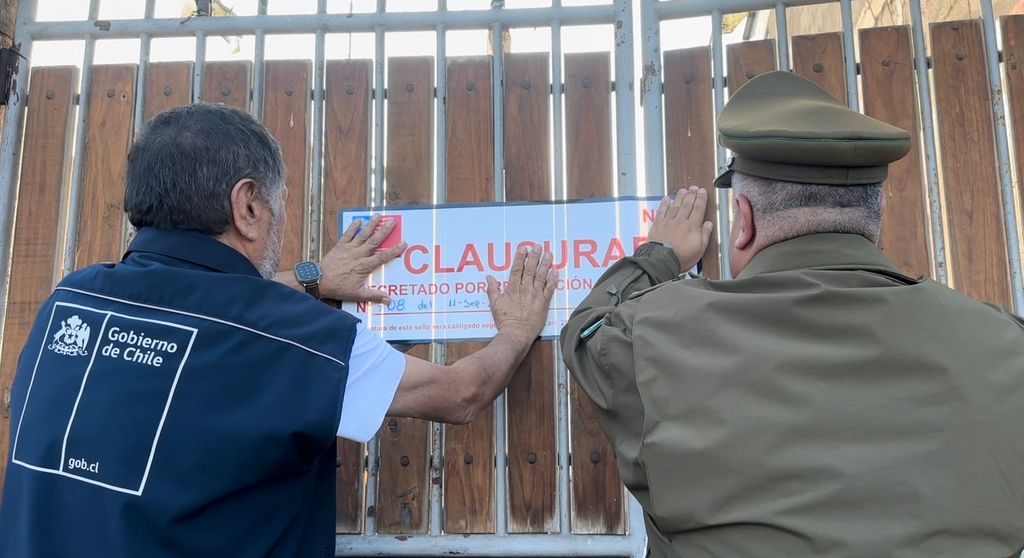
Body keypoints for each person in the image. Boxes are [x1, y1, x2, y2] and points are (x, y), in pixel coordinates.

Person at [0, 103, 556, 558]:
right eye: (276, 205)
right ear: (247, 205)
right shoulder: (301, 339)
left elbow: (198, 302)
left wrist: (312, 276)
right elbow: (460, 393)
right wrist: (516, 329)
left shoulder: (71, 300)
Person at [562, 71, 1024, 557]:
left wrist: (660, 255)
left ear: (745, 220)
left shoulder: (650, 336)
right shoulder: (1007, 345)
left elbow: (586, 331)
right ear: (878, 211)